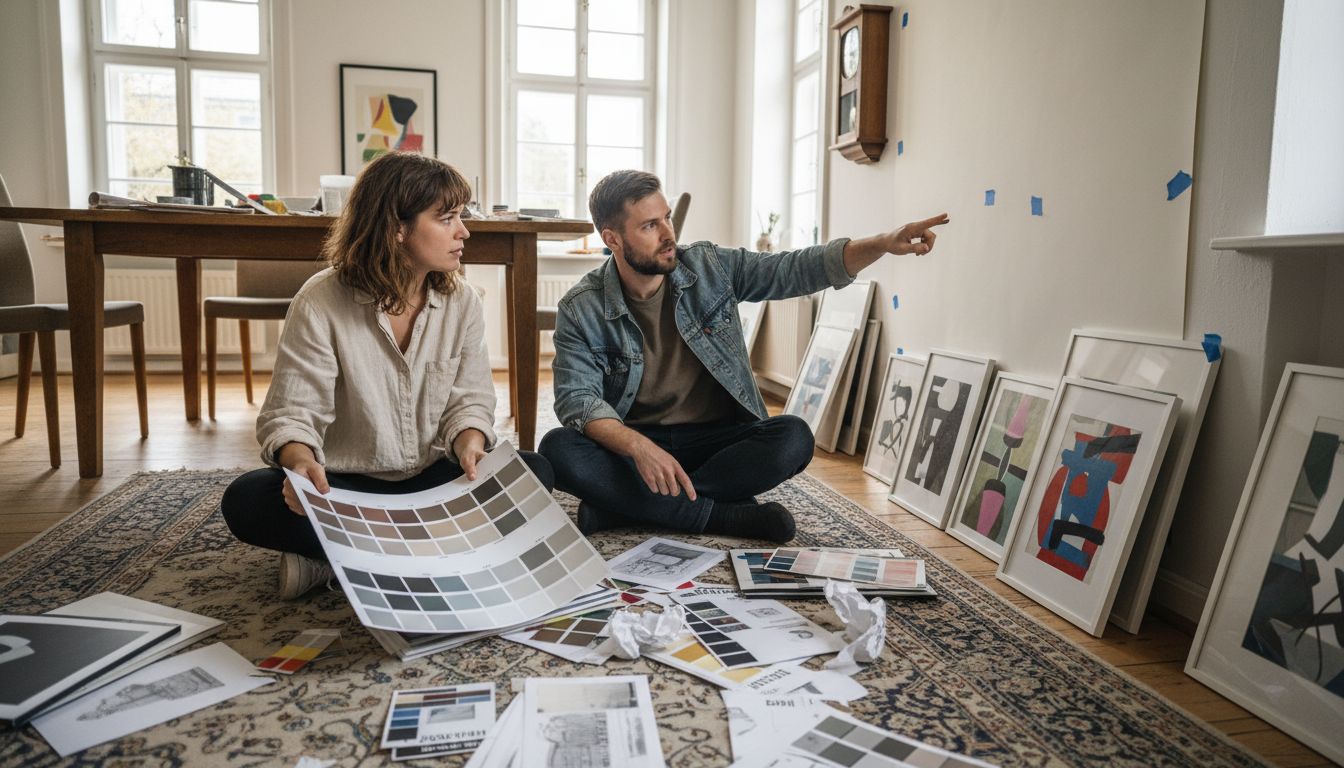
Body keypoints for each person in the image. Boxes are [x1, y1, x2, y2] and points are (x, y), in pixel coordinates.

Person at [540, 170, 947, 542]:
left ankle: (626, 509)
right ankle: (724, 517)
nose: (669, 234)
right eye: (650, 225)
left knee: (793, 438)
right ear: (612, 239)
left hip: (716, 442)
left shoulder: (709, 266)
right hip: (635, 446)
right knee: (559, 448)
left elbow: (795, 269)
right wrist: (639, 448)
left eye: (666, 218)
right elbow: (578, 399)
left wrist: (882, 243)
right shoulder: (582, 307)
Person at [220, 152, 554, 599]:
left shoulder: (464, 302)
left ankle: (335, 563)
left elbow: (469, 402)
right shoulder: (319, 301)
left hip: (435, 482)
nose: (464, 231)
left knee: (534, 473)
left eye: (462, 216)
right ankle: (432, 554)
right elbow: (292, 413)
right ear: (397, 228)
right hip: (348, 486)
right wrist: (302, 467)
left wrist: (470, 444)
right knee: (247, 500)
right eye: (447, 218)